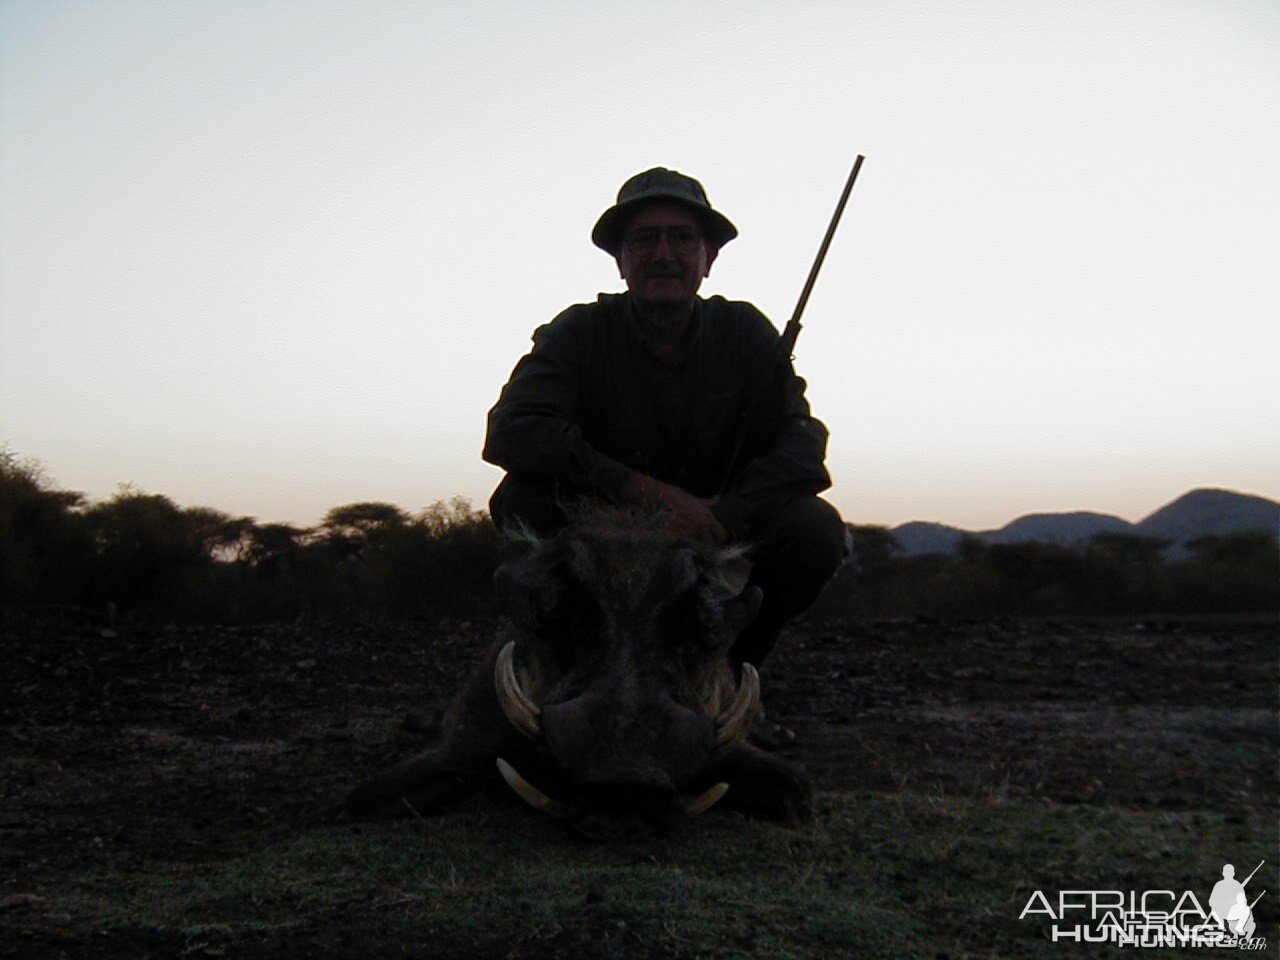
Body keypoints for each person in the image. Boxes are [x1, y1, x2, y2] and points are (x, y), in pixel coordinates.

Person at [483, 166, 846, 669]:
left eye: (681, 239)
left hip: (716, 529)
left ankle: (731, 668)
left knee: (813, 530)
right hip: (611, 525)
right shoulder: (577, 330)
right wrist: (647, 495)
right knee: (523, 501)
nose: (663, 255)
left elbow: (804, 445)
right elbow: (513, 430)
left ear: (709, 257)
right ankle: (577, 661)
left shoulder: (746, 330)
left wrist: (724, 517)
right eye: (645, 239)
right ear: (620, 259)